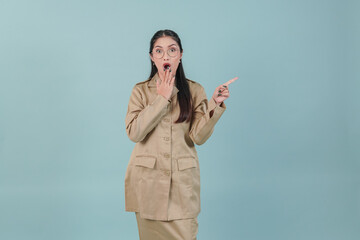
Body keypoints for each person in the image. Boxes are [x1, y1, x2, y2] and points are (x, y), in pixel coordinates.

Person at [124, 29, 238, 240]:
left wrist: (216, 103)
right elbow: (134, 133)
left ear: (180, 55)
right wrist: (162, 99)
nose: (165, 56)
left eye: (171, 50)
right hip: (148, 185)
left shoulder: (194, 90)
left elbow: (198, 137)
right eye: (159, 51)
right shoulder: (140, 91)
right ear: (152, 57)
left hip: (181, 187)